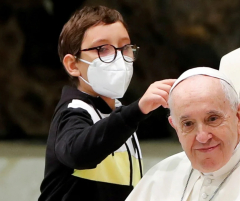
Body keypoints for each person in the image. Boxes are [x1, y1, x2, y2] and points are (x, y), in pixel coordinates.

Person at [38, 5, 175, 201]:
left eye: (125, 47)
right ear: (73, 65)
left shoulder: (119, 115)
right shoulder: (73, 111)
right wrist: (137, 110)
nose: (119, 57)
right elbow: (78, 153)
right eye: (102, 48)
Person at [125, 67, 240, 201]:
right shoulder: (159, 177)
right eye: (188, 124)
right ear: (175, 127)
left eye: (213, 119)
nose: (202, 136)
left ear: (239, 117)